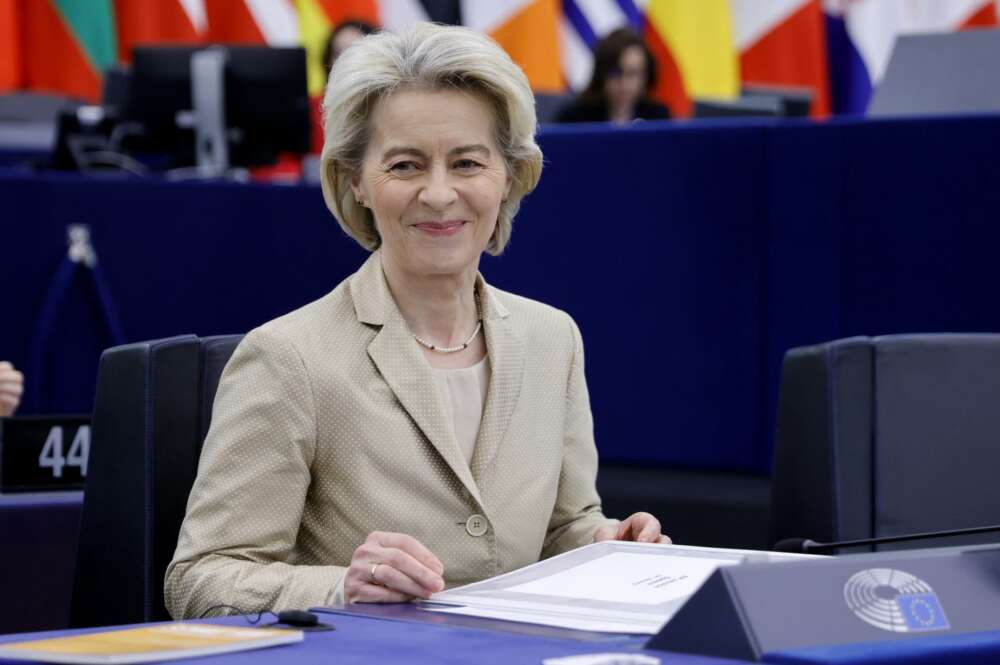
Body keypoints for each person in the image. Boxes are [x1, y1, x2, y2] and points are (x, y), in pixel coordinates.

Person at [165, 22, 669, 618]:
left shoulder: (552, 339)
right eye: (405, 165)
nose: (437, 193)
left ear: (508, 175)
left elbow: (561, 529)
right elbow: (199, 581)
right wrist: (338, 589)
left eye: (466, 163)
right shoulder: (287, 357)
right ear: (357, 180)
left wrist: (602, 544)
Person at [556, 28, 671, 124]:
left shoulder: (659, 118)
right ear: (602, 74)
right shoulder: (574, 119)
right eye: (615, 73)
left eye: (632, 74)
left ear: (646, 76)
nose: (624, 84)